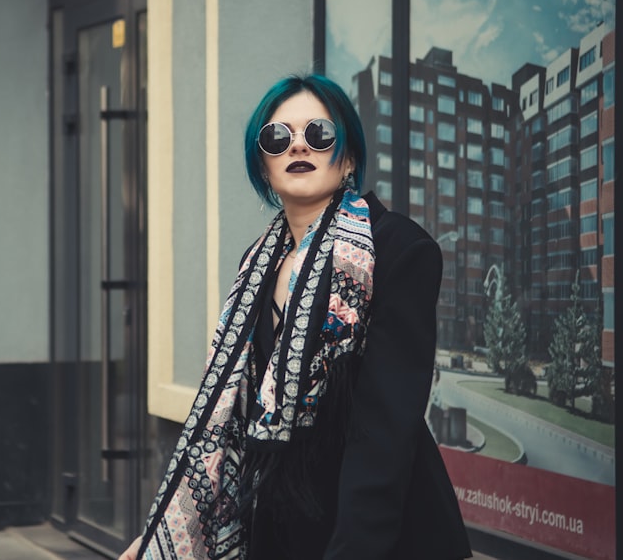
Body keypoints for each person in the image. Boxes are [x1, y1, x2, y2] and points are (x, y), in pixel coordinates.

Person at [120, 74, 471, 559]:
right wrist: (162, 533)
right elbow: (229, 421)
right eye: (277, 138)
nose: (297, 146)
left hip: (377, 528)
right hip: (280, 526)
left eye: (319, 134)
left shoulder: (399, 250)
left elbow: (385, 432)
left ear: (347, 157)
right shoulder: (255, 265)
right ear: (263, 166)